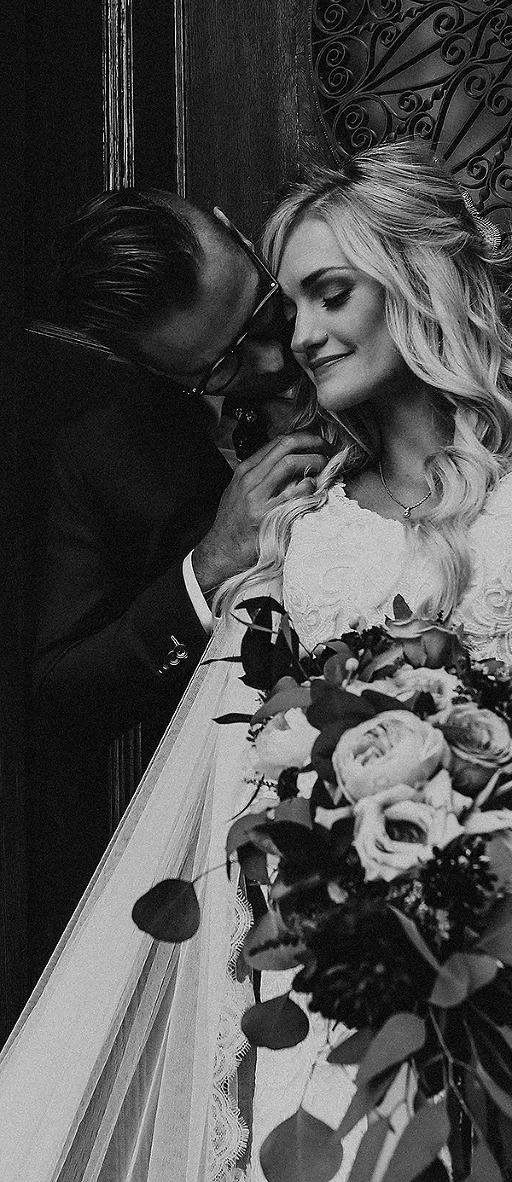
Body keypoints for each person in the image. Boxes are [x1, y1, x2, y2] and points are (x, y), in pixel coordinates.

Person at [1, 144, 512, 1182]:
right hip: (338, 1034)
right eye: (242, 349)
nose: (294, 342)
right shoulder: (294, 532)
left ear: (413, 277)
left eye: (318, 297)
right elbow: (245, 788)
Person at [29, 188, 328, 971]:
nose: (275, 359)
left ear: (233, 230)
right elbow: (61, 694)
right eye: (224, 364)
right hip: (246, 852)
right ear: (150, 365)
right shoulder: (99, 455)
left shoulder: (350, 288)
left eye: (264, 313)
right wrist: (208, 564)